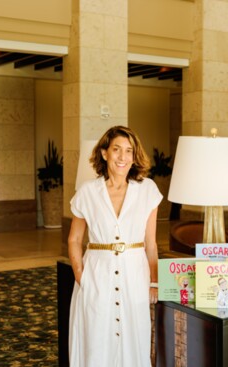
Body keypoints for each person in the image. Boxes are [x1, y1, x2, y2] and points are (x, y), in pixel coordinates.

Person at [67, 125, 162, 367]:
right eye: (117, 149)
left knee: (135, 337)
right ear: (104, 152)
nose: (123, 157)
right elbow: (74, 240)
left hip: (135, 274)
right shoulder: (87, 192)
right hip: (97, 274)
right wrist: (81, 276)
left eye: (129, 151)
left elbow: (151, 243)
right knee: (97, 336)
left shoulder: (148, 190)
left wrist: (154, 281)